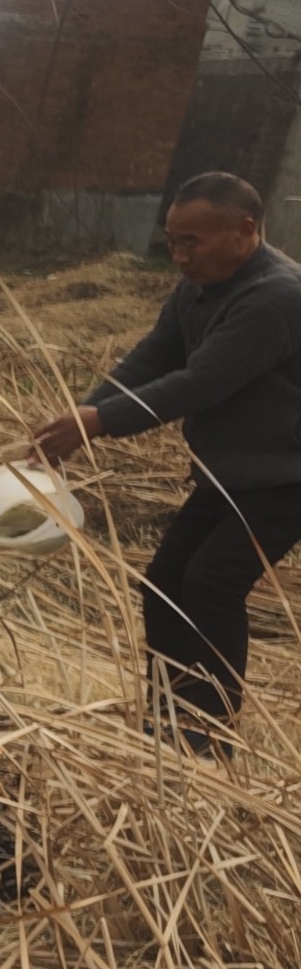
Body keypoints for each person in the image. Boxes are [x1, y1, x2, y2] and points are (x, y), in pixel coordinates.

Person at [27, 170, 301, 754]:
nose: (177, 256)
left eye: (191, 242)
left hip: (286, 478)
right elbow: (155, 356)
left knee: (211, 584)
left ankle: (210, 738)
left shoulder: (277, 296)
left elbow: (200, 382)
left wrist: (99, 425)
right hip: (231, 473)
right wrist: (86, 408)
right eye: (172, 240)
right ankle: (167, 721)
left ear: (244, 231)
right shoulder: (200, 285)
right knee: (164, 587)